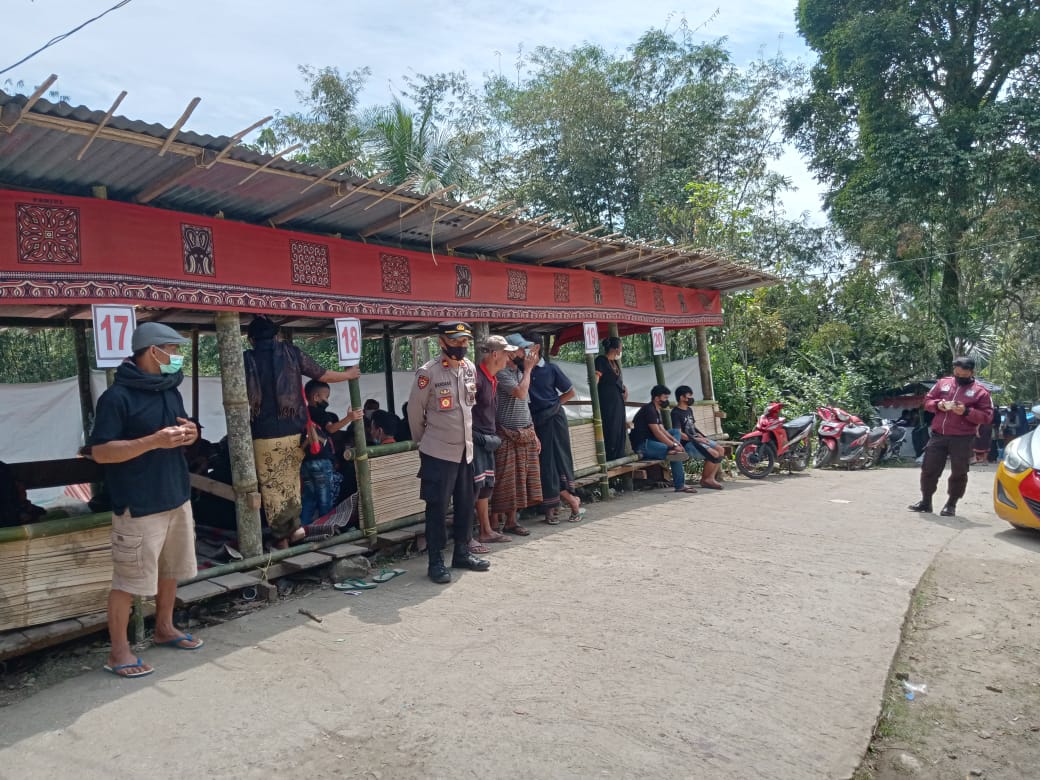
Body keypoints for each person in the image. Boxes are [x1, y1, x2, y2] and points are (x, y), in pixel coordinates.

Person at [89, 322, 203, 679]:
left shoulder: (171, 388)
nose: (178, 356)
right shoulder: (116, 398)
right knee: (127, 583)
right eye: (173, 349)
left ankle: (164, 628)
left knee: (171, 571)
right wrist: (152, 441)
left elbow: (181, 430)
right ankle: (118, 652)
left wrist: (191, 433)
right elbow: (101, 453)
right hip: (137, 504)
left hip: (175, 494)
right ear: (154, 352)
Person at [243, 316, 359, 548]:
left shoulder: (247, 359)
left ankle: (281, 537)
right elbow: (322, 375)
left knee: (271, 486)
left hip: (263, 434)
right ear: (276, 336)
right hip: (294, 432)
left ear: (251, 339)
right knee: (292, 484)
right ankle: (293, 529)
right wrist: (347, 375)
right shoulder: (291, 353)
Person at [406, 321, 490, 584]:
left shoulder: (469, 368)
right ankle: (435, 561)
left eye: (465, 341)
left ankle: (462, 553)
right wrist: (425, 444)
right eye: (455, 341)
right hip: (438, 453)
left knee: (466, 505)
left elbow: (469, 409)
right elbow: (414, 413)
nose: (461, 346)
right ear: (442, 342)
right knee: (437, 509)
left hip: (465, 452)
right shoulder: (427, 373)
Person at [908, 357, 994, 517]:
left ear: (971, 372)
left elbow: (988, 416)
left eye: (963, 374)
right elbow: (927, 401)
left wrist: (967, 412)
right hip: (938, 435)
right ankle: (926, 502)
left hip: (963, 438)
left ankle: (951, 504)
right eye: (957, 373)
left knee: (959, 472)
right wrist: (937, 405)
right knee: (928, 469)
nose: (959, 377)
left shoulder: (980, 391)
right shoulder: (943, 383)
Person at [491, 334, 543, 533]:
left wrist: (534, 433)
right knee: (504, 480)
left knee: (520, 479)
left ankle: (512, 521)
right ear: (511, 352)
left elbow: (524, 405)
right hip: (506, 433)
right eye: (522, 349)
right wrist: (529, 369)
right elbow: (520, 393)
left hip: (524, 431)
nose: (525, 353)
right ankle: (495, 523)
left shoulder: (520, 373)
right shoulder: (502, 373)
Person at [529, 342, 585, 523]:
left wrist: (553, 407)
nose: (520, 351)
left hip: (554, 420)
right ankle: (554, 506)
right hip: (535, 422)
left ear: (536, 348)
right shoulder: (522, 370)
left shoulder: (551, 369)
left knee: (555, 461)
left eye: (524, 347)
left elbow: (570, 392)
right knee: (543, 464)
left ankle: (569, 503)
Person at [471, 334, 517, 549]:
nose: (509, 359)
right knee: (475, 486)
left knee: (485, 486)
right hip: (476, 439)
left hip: (487, 437)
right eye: (506, 354)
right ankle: (476, 532)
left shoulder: (491, 379)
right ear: (495, 354)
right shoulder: (477, 379)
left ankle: (485, 529)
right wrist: (476, 438)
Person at [629, 385, 691, 492]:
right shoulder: (649, 410)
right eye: (665, 398)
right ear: (657, 398)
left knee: (675, 432)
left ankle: (671, 450)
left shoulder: (656, 410)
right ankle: (680, 485)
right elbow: (657, 433)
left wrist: (676, 442)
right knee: (676, 455)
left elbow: (662, 430)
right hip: (643, 445)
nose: (666, 400)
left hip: (652, 441)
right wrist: (673, 446)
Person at [672, 386, 725, 490]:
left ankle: (710, 478)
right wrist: (696, 439)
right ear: (682, 397)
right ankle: (705, 480)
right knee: (713, 454)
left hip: (697, 439)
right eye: (689, 396)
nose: (691, 398)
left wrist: (702, 436)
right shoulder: (675, 413)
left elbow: (692, 426)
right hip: (688, 443)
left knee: (720, 449)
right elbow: (679, 434)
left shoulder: (689, 410)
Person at [595, 336, 628, 461]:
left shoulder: (614, 363)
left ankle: (620, 453)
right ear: (615, 348)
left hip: (618, 399)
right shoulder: (601, 360)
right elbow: (597, 378)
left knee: (620, 425)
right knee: (611, 425)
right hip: (607, 400)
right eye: (620, 347)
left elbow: (616, 381)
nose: (621, 349)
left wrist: (624, 388)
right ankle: (611, 455)